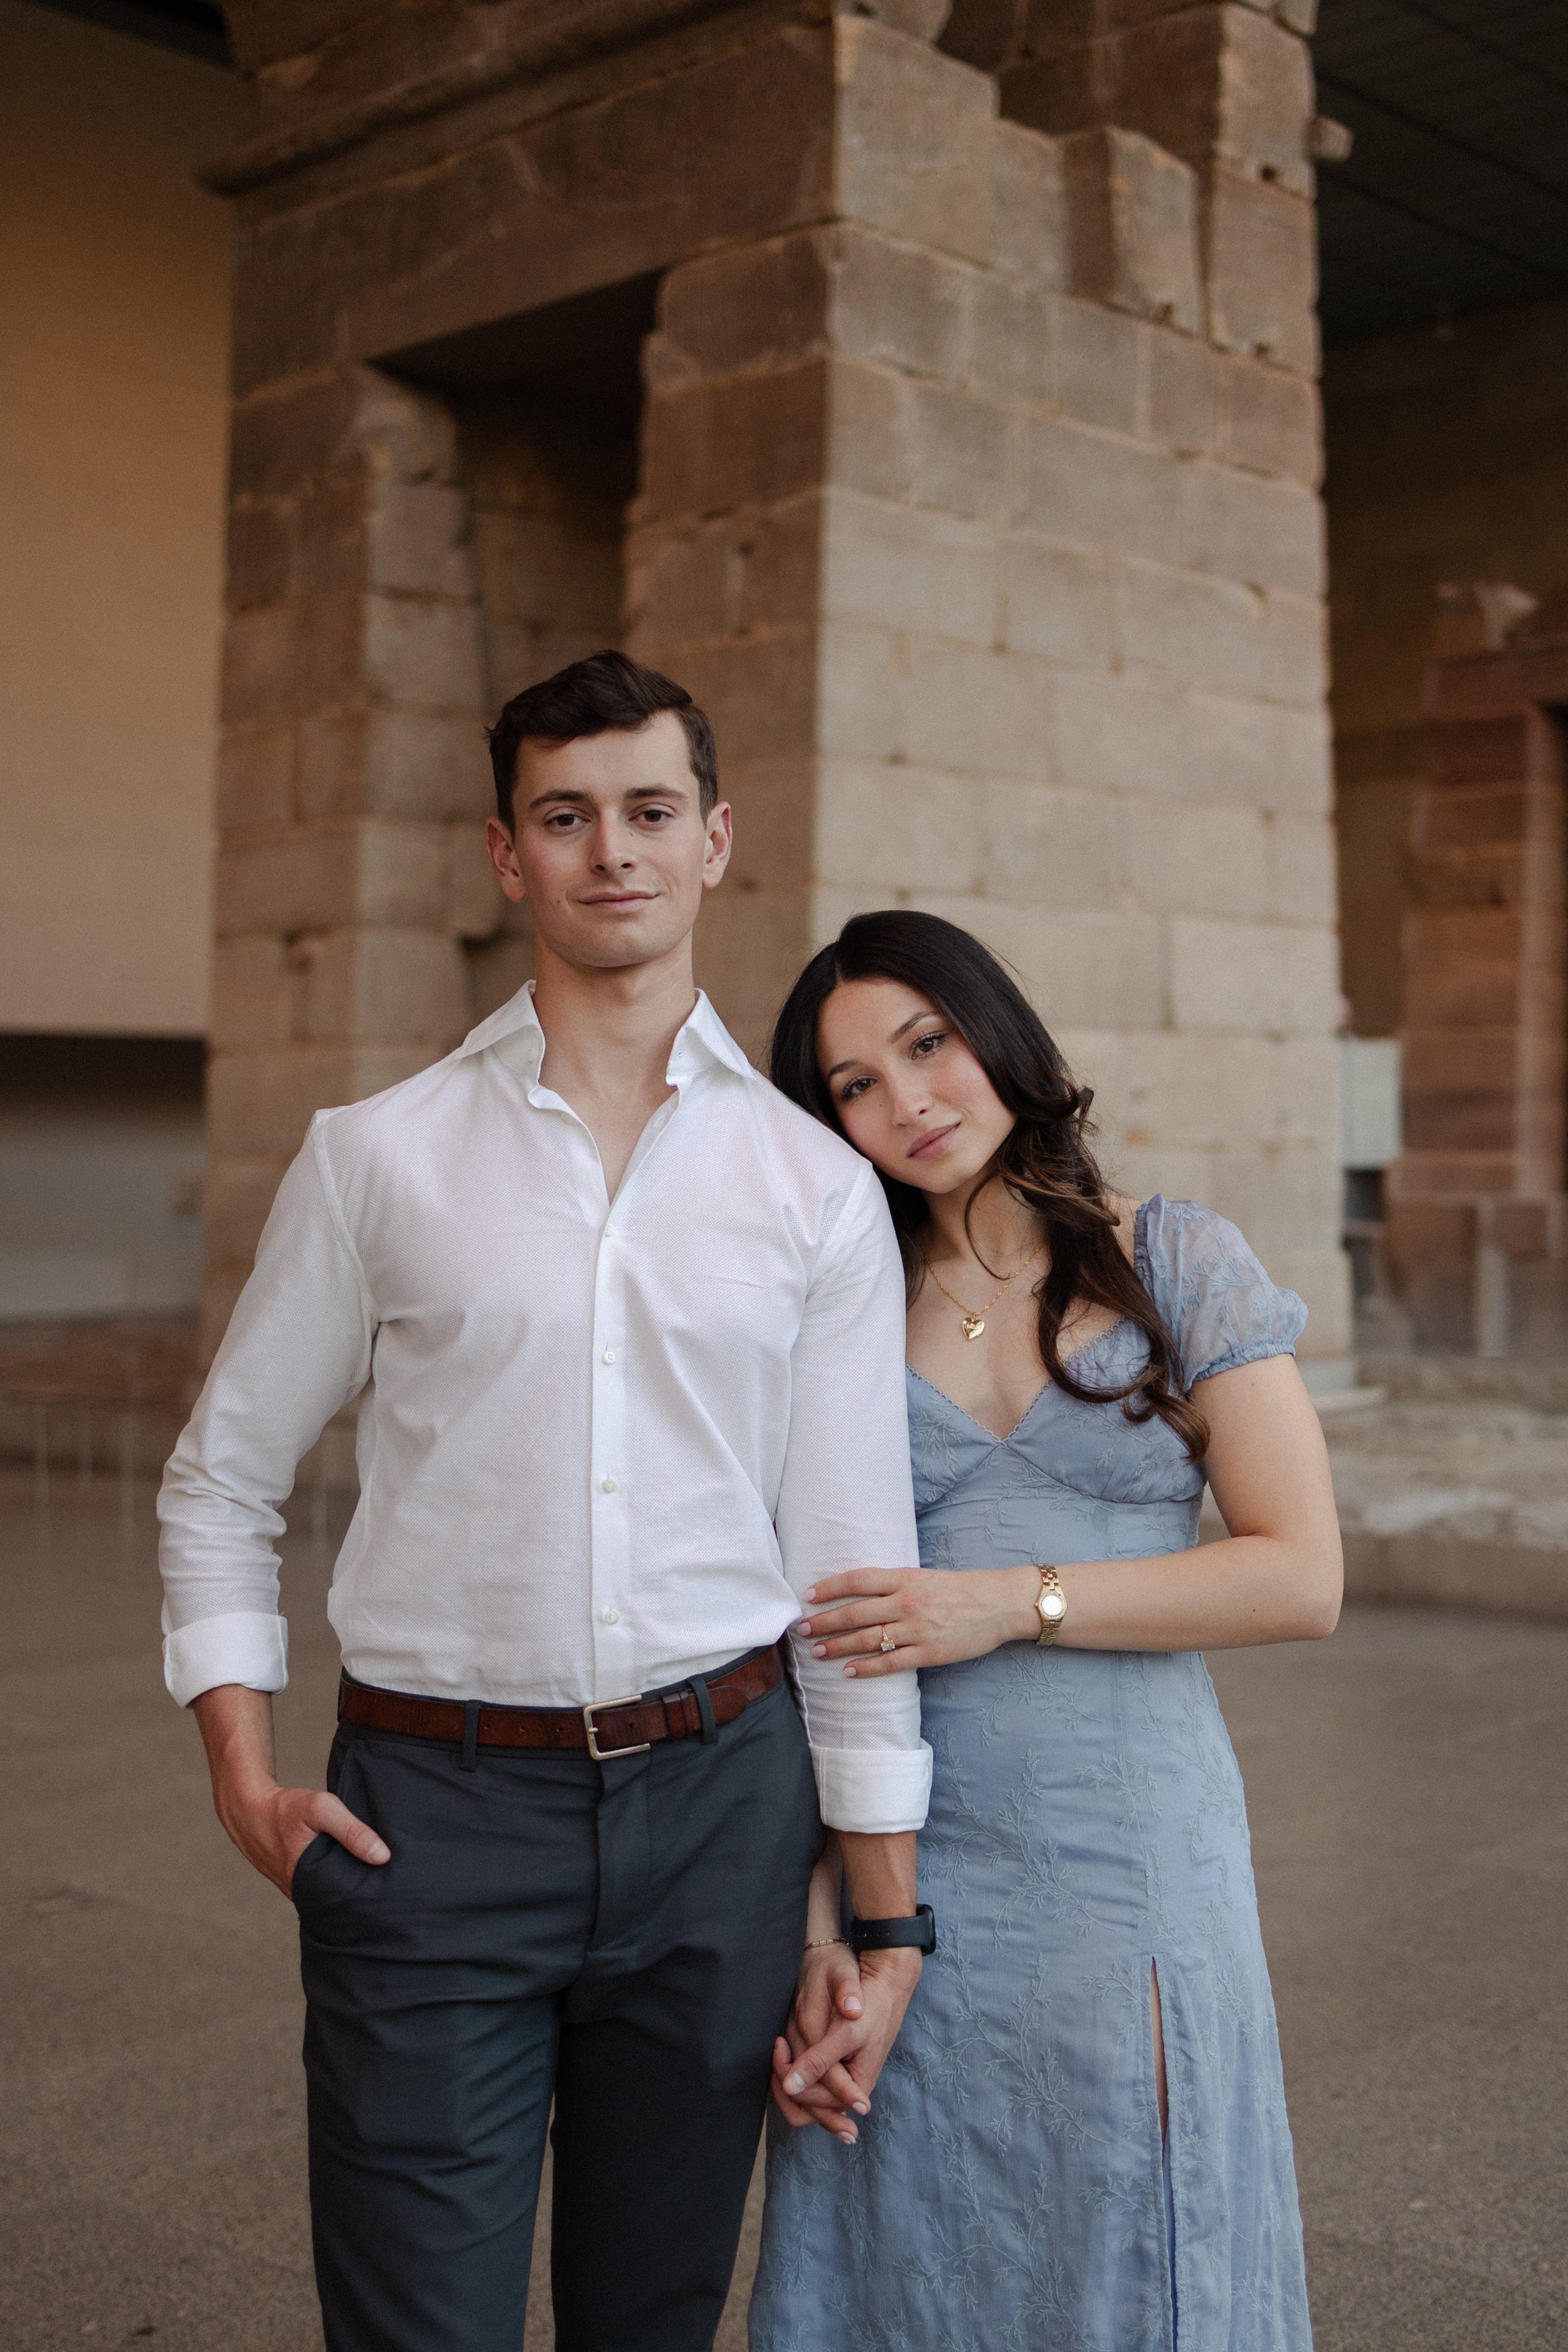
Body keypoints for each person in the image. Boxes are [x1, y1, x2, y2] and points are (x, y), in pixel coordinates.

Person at [157, 653, 933, 2352]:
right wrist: (241, 1775)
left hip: (722, 1814)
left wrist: (880, 1914)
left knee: (650, 2316)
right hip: (433, 1819)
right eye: (565, 816)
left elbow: (849, 1571)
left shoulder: (811, 1184)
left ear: (712, 839)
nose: (612, 850)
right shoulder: (377, 1154)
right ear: (507, 855)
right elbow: (221, 1475)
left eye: (649, 810)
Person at [750, 909, 1342, 2352]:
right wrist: (820, 1922)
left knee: (1136, 2227)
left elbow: (1298, 1576)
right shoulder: (832, 1312)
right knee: (912, 2239)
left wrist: (1010, 1601)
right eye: (854, 1085)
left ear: (993, 1032)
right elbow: (800, 1644)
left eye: (926, 1044)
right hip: (908, 1858)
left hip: (1131, 1857)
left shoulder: (1170, 1258)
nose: (906, 1101)